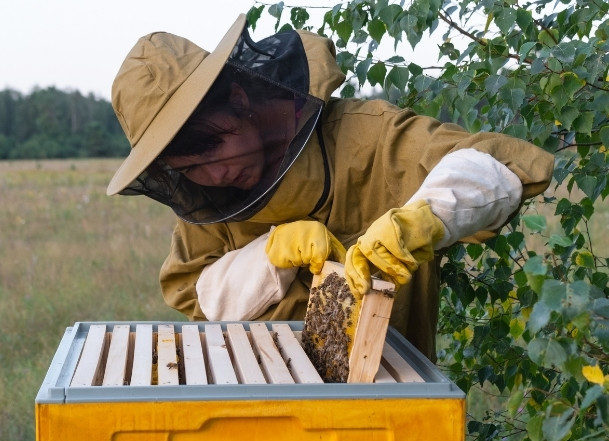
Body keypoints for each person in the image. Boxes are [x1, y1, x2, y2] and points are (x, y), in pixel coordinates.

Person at [106, 14, 554, 359]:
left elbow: (496, 165)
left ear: (239, 99)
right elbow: (200, 295)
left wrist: (425, 218)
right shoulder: (207, 199)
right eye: (191, 169)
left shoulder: (372, 136)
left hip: (385, 392)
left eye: (215, 147)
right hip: (258, 394)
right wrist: (268, 255)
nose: (214, 176)